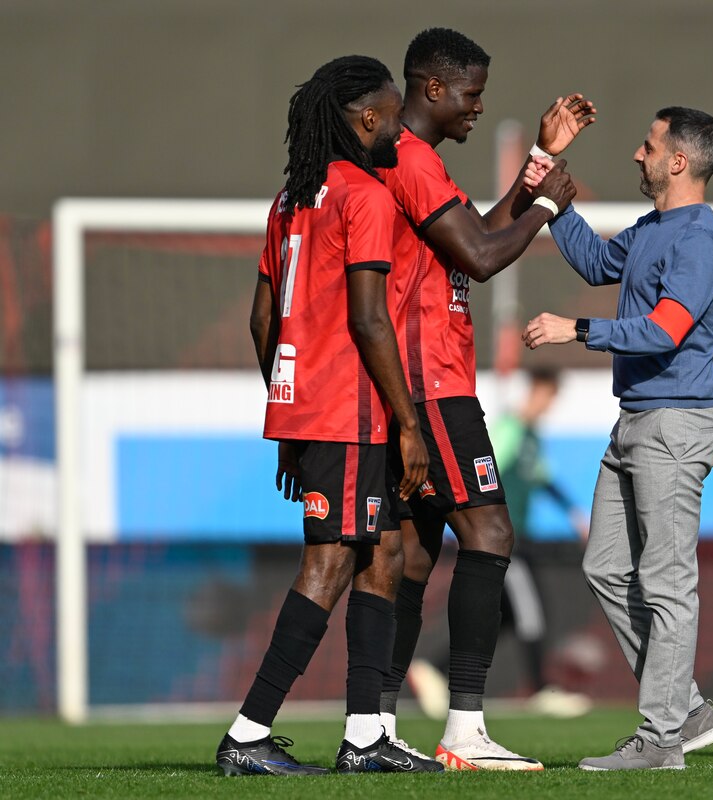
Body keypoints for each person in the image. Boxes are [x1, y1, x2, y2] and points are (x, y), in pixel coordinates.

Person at [216, 55, 442, 776]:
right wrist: (409, 424)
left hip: (316, 409)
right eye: (391, 112)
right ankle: (248, 733)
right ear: (369, 119)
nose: (400, 124)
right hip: (352, 410)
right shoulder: (365, 197)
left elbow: (262, 322)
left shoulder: (290, 199)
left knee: (386, 554)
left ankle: (366, 735)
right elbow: (370, 321)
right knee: (332, 559)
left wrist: (290, 411)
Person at [375, 27, 588, 772]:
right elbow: (486, 255)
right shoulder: (408, 157)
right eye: (471, 94)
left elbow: (477, 231)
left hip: (432, 380)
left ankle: (374, 725)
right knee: (491, 535)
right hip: (432, 383)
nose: (475, 108)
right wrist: (551, 210)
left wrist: (542, 162)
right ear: (433, 87)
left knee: (414, 556)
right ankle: (464, 729)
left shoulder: (416, 160)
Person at [521, 106, 713, 770]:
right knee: (605, 568)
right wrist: (549, 180)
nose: (636, 156)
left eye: (648, 147)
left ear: (677, 161)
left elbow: (666, 330)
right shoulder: (654, 228)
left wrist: (576, 330)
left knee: (667, 582)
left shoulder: (699, 239)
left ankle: (661, 737)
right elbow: (592, 261)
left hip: (675, 424)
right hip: (637, 419)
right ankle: (686, 708)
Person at [405, 367, 593, 720]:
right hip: (508, 542)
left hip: (520, 538)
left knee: (504, 616)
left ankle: (433, 667)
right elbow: (488, 473)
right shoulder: (510, 430)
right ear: (536, 390)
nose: (548, 404)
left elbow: (543, 479)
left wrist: (573, 512)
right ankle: (539, 690)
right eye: (547, 395)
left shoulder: (531, 437)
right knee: (531, 612)